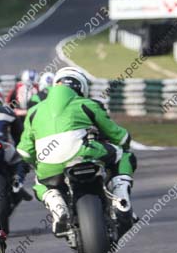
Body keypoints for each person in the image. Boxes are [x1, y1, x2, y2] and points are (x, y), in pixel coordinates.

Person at [16, 67, 136, 235]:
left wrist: (39, 160)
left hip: (49, 165)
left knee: (40, 181)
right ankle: (121, 197)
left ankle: (58, 207)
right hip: (83, 153)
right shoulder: (88, 104)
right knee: (124, 155)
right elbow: (119, 137)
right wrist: (124, 140)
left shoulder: (34, 111)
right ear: (81, 87)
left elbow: (25, 152)